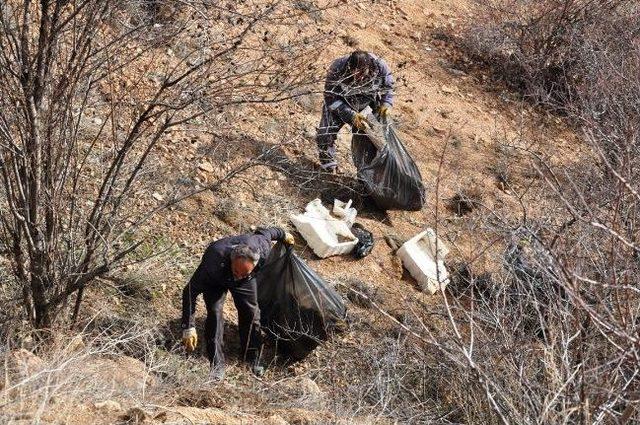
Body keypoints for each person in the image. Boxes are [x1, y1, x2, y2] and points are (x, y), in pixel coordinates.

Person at [180, 227, 295, 381]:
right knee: (215, 312)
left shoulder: (262, 247)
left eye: (244, 273)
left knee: (252, 313)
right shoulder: (214, 258)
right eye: (236, 272)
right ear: (232, 259)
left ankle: (251, 355)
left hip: (245, 283)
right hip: (217, 279)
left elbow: (268, 232)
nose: (238, 276)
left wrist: (284, 234)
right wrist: (188, 326)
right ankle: (217, 364)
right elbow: (189, 291)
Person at [316, 50, 395, 173]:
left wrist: (386, 104)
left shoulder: (380, 67)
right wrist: (351, 115)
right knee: (324, 134)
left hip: (366, 106)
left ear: (369, 67)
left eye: (363, 73)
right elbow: (330, 97)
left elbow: (388, 88)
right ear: (350, 67)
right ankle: (329, 166)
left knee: (370, 142)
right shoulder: (338, 68)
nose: (360, 77)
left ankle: (366, 175)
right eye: (356, 73)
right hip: (339, 104)